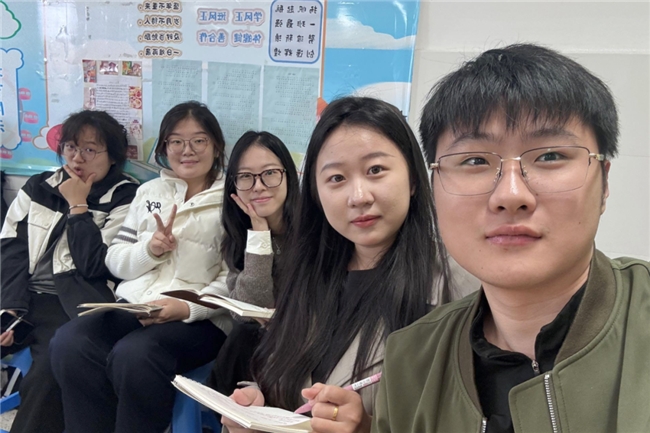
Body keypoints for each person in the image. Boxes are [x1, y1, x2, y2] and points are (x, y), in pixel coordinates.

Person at [372, 44, 650, 433]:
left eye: (550, 156)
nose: (510, 195)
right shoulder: (411, 360)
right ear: (433, 188)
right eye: (474, 161)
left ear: (604, 183)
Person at [222, 96, 476, 433]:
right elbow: (284, 380)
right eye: (336, 178)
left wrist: (369, 428)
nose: (358, 197)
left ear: (413, 179)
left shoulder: (460, 287)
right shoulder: (309, 272)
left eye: (375, 170)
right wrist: (259, 404)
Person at [49, 101, 232, 433]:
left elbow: (234, 277)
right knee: (70, 341)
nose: (187, 150)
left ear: (217, 146)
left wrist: (185, 307)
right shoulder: (149, 192)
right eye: (176, 141)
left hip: (201, 320)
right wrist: (150, 250)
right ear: (164, 147)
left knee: (135, 355)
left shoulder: (232, 200)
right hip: (136, 306)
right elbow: (115, 259)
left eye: (199, 140)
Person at [0, 110, 139, 433]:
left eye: (90, 149)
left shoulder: (126, 196)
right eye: (71, 147)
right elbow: (11, 248)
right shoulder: (39, 186)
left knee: (49, 371)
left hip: (72, 300)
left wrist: (78, 207)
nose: (78, 158)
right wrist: (10, 308)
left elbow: (95, 265)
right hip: (21, 295)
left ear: (113, 156)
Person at [209, 130, 300, 395]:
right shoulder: (239, 233)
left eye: (270, 173)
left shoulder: (314, 229)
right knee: (244, 335)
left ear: (288, 175)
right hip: (260, 340)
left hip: (303, 338)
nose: (258, 186)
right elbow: (247, 311)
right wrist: (259, 234)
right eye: (246, 176)